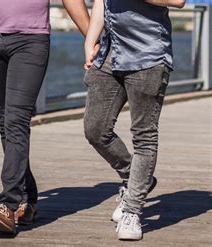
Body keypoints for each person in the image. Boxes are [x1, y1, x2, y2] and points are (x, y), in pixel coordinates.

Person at [65, 0, 186, 241]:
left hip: (148, 54)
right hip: (111, 53)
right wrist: (90, 40)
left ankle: (132, 210)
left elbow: (178, 1)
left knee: (144, 135)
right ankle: (137, 179)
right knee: (95, 129)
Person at [0, 0, 51, 234]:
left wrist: (91, 37)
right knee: (6, 124)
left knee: (16, 121)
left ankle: (7, 204)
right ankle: (27, 200)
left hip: (30, 38)